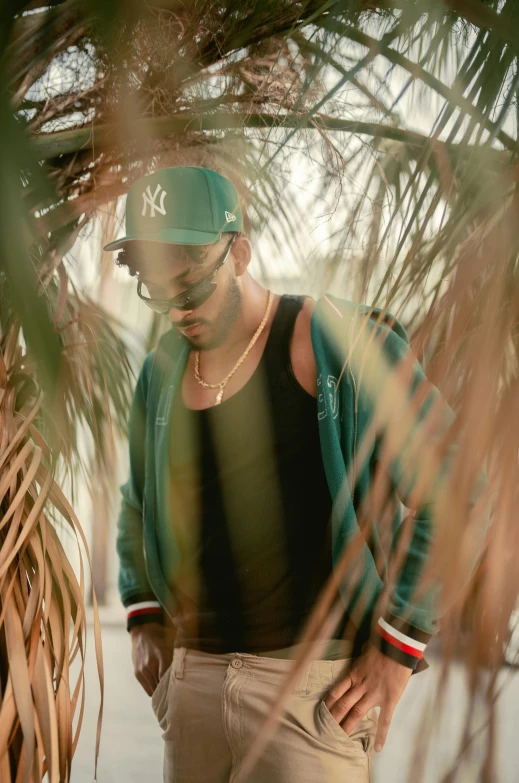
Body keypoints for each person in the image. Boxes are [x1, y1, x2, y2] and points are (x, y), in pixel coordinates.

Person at [104, 166, 482, 783]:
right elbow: (137, 500)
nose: (178, 312)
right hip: (193, 689)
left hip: (311, 701)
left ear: (240, 252)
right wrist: (143, 615)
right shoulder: (161, 373)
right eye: (158, 292)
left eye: (192, 287)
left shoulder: (336, 345)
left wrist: (398, 645)